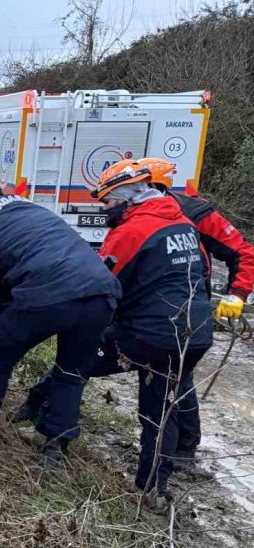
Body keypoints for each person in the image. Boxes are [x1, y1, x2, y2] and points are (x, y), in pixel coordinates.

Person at [23, 163, 213, 502]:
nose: (104, 209)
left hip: (147, 336)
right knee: (159, 411)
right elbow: (205, 276)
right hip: (193, 334)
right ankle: (151, 488)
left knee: (76, 360)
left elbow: (100, 283)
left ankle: (53, 438)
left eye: (107, 203)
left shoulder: (132, 231)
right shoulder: (184, 224)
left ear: (127, 198)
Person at [0, 178, 121, 467]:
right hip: (101, 292)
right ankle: (56, 446)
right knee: (71, 370)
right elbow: (26, 260)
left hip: (48, 295)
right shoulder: (29, 211)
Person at [139, 157, 254, 322]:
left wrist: (237, 294)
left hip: (189, 309)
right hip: (139, 308)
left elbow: (242, 252)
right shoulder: (124, 213)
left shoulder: (195, 212)